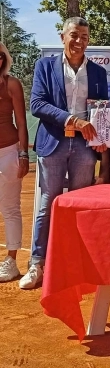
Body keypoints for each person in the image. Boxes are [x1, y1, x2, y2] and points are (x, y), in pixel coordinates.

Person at [20, 17, 109, 289]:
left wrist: (101, 138)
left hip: (84, 147)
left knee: (79, 206)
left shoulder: (97, 72)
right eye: (74, 35)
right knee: (48, 203)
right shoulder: (44, 66)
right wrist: (73, 120)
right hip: (53, 143)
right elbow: (36, 104)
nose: (79, 41)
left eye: (84, 36)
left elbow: (101, 108)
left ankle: (76, 264)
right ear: (63, 37)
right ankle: (38, 263)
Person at [0, 42, 29, 282]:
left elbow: (21, 122)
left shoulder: (11, 84)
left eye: (0, 56)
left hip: (8, 153)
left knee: (10, 208)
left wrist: (23, 154)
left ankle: (11, 261)